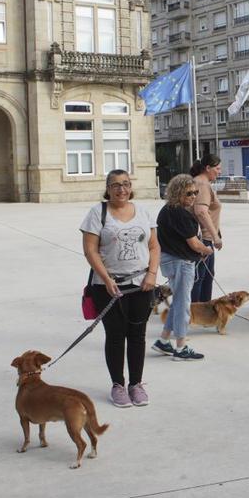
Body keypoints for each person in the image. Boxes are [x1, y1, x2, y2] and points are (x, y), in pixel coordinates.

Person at [81, 169, 162, 407]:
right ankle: (118, 384)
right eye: (115, 185)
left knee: (137, 336)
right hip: (108, 286)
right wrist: (107, 280)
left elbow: (155, 246)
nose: (121, 189)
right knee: (115, 337)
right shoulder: (98, 213)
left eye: (125, 184)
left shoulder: (144, 212)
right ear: (107, 188)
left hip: (141, 284)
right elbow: (90, 250)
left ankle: (136, 384)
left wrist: (152, 274)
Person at [154, 174, 212, 361]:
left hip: (171, 260)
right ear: (178, 192)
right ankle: (180, 346)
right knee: (183, 305)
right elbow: (194, 244)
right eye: (189, 193)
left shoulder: (167, 210)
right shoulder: (178, 212)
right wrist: (206, 249)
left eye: (196, 192)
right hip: (180, 262)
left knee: (179, 302)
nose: (193, 196)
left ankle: (163, 340)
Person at [190, 155, 223, 302]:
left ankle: (200, 311)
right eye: (217, 168)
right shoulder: (202, 184)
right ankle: (197, 312)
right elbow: (201, 212)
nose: (219, 172)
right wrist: (215, 236)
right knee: (201, 277)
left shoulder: (199, 182)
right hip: (203, 239)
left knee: (205, 276)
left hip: (204, 237)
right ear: (207, 168)